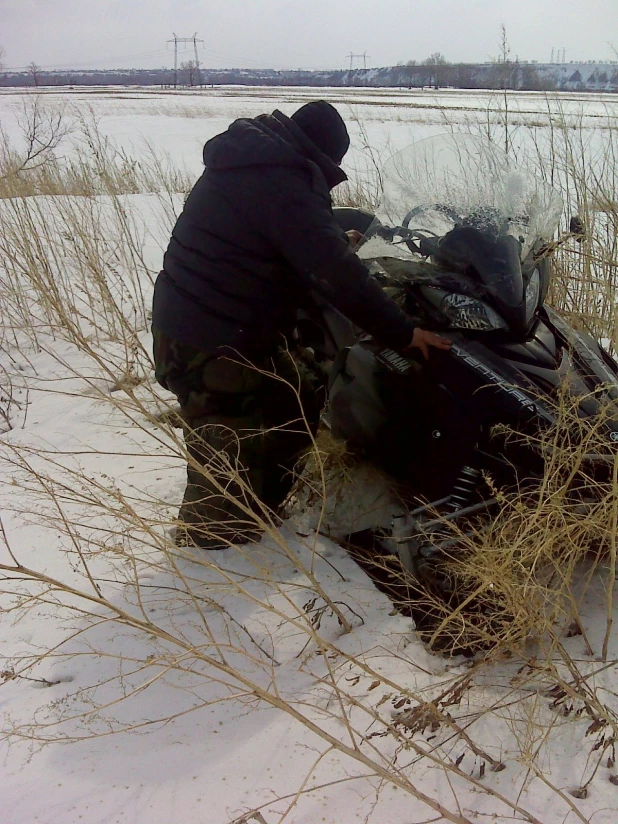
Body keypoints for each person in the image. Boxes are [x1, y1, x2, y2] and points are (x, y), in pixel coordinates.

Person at [152, 100, 451, 549]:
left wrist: (327, 232)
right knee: (227, 442)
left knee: (298, 396)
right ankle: (211, 549)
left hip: (202, 325)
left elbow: (280, 227)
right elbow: (334, 273)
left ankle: (263, 511)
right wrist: (404, 332)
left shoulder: (259, 160)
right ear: (323, 155)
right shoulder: (284, 178)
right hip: (209, 341)